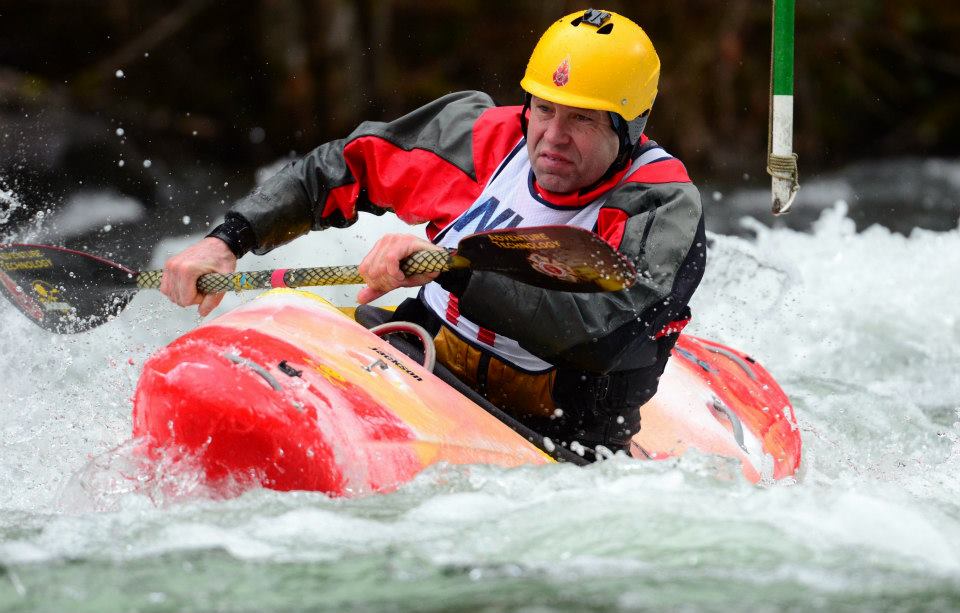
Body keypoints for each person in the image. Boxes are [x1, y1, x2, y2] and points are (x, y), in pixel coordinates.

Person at [160, 9, 705, 459]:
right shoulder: (484, 139)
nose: (552, 137)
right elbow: (343, 168)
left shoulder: (659, 207)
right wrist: (227, 239)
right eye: (544, 109)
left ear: (630, 127)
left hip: (560, 429)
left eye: (583, 120)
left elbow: (604, 333)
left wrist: (452, 267)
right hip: (426, 359)